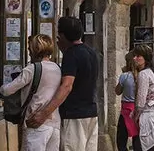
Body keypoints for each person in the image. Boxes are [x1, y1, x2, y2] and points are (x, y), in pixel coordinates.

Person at [29, 17, 100, 151]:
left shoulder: (71, 54)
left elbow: (67, 86)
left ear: (62, 35)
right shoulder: (91, 52)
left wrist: (45, 113)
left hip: (74, 115)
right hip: (91, 113)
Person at [2, 34, 63, 151]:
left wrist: (2, 87)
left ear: (35, 49)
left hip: (35, 122)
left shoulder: (32, 69)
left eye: (30, 48)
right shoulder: (57, 68)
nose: (29, 51)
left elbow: (7, 90)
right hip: (54, 123)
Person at [116, 52, 143, 151]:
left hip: (126, 110)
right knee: (137, 137)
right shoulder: (142, 75)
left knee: (121, 139)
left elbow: (117, 91)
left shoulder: (125, 76)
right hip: (137, 109)